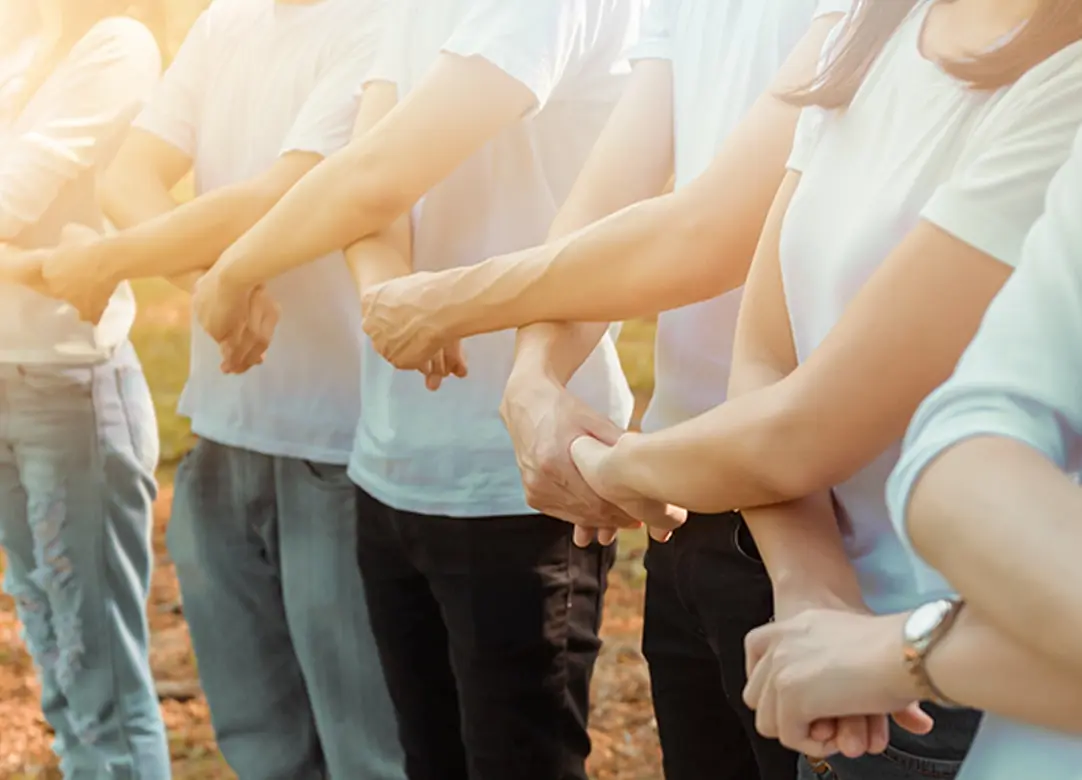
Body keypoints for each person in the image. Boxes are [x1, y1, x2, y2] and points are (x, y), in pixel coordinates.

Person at [563, 0, 1082, 777]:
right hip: (842, 657)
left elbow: (809, 426)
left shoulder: (1061, 85)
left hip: (974, 682)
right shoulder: (867, 30)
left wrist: (610, 465)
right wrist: (813, 590)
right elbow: (768, 355)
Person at [353, 2, 854, 778]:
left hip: (838, 523)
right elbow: (606, 199)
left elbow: (713, 230)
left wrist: (450, 300)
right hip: (689, 503)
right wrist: (534, 378)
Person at [189, 1, 648, 777]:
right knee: (425, 760)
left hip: (517, 473)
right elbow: (364, 178)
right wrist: (390, 301)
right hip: (391, 464)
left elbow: (374, 179)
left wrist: (235, 269)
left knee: (517, 761)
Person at [45, 0, 405, 777]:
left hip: (338, 445)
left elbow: (287, 194)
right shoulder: (225, 22)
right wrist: (215, 284)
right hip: (221, 435)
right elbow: (128, 178)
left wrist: (113, 262)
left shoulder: (380, 26)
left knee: (366, 752)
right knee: (259, 745)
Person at [740, 121, 1082, 780]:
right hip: (914, 677)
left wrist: (906, 653)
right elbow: (970, 427)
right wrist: (818, 592)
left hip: (932, 685)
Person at [0, 0, 168, 777]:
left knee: (98, 680)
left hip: (69, 389)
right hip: (6, 381)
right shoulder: (17, 35)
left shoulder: (117, 45)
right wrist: (34, 268)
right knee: (57, 667)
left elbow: (11, 196)